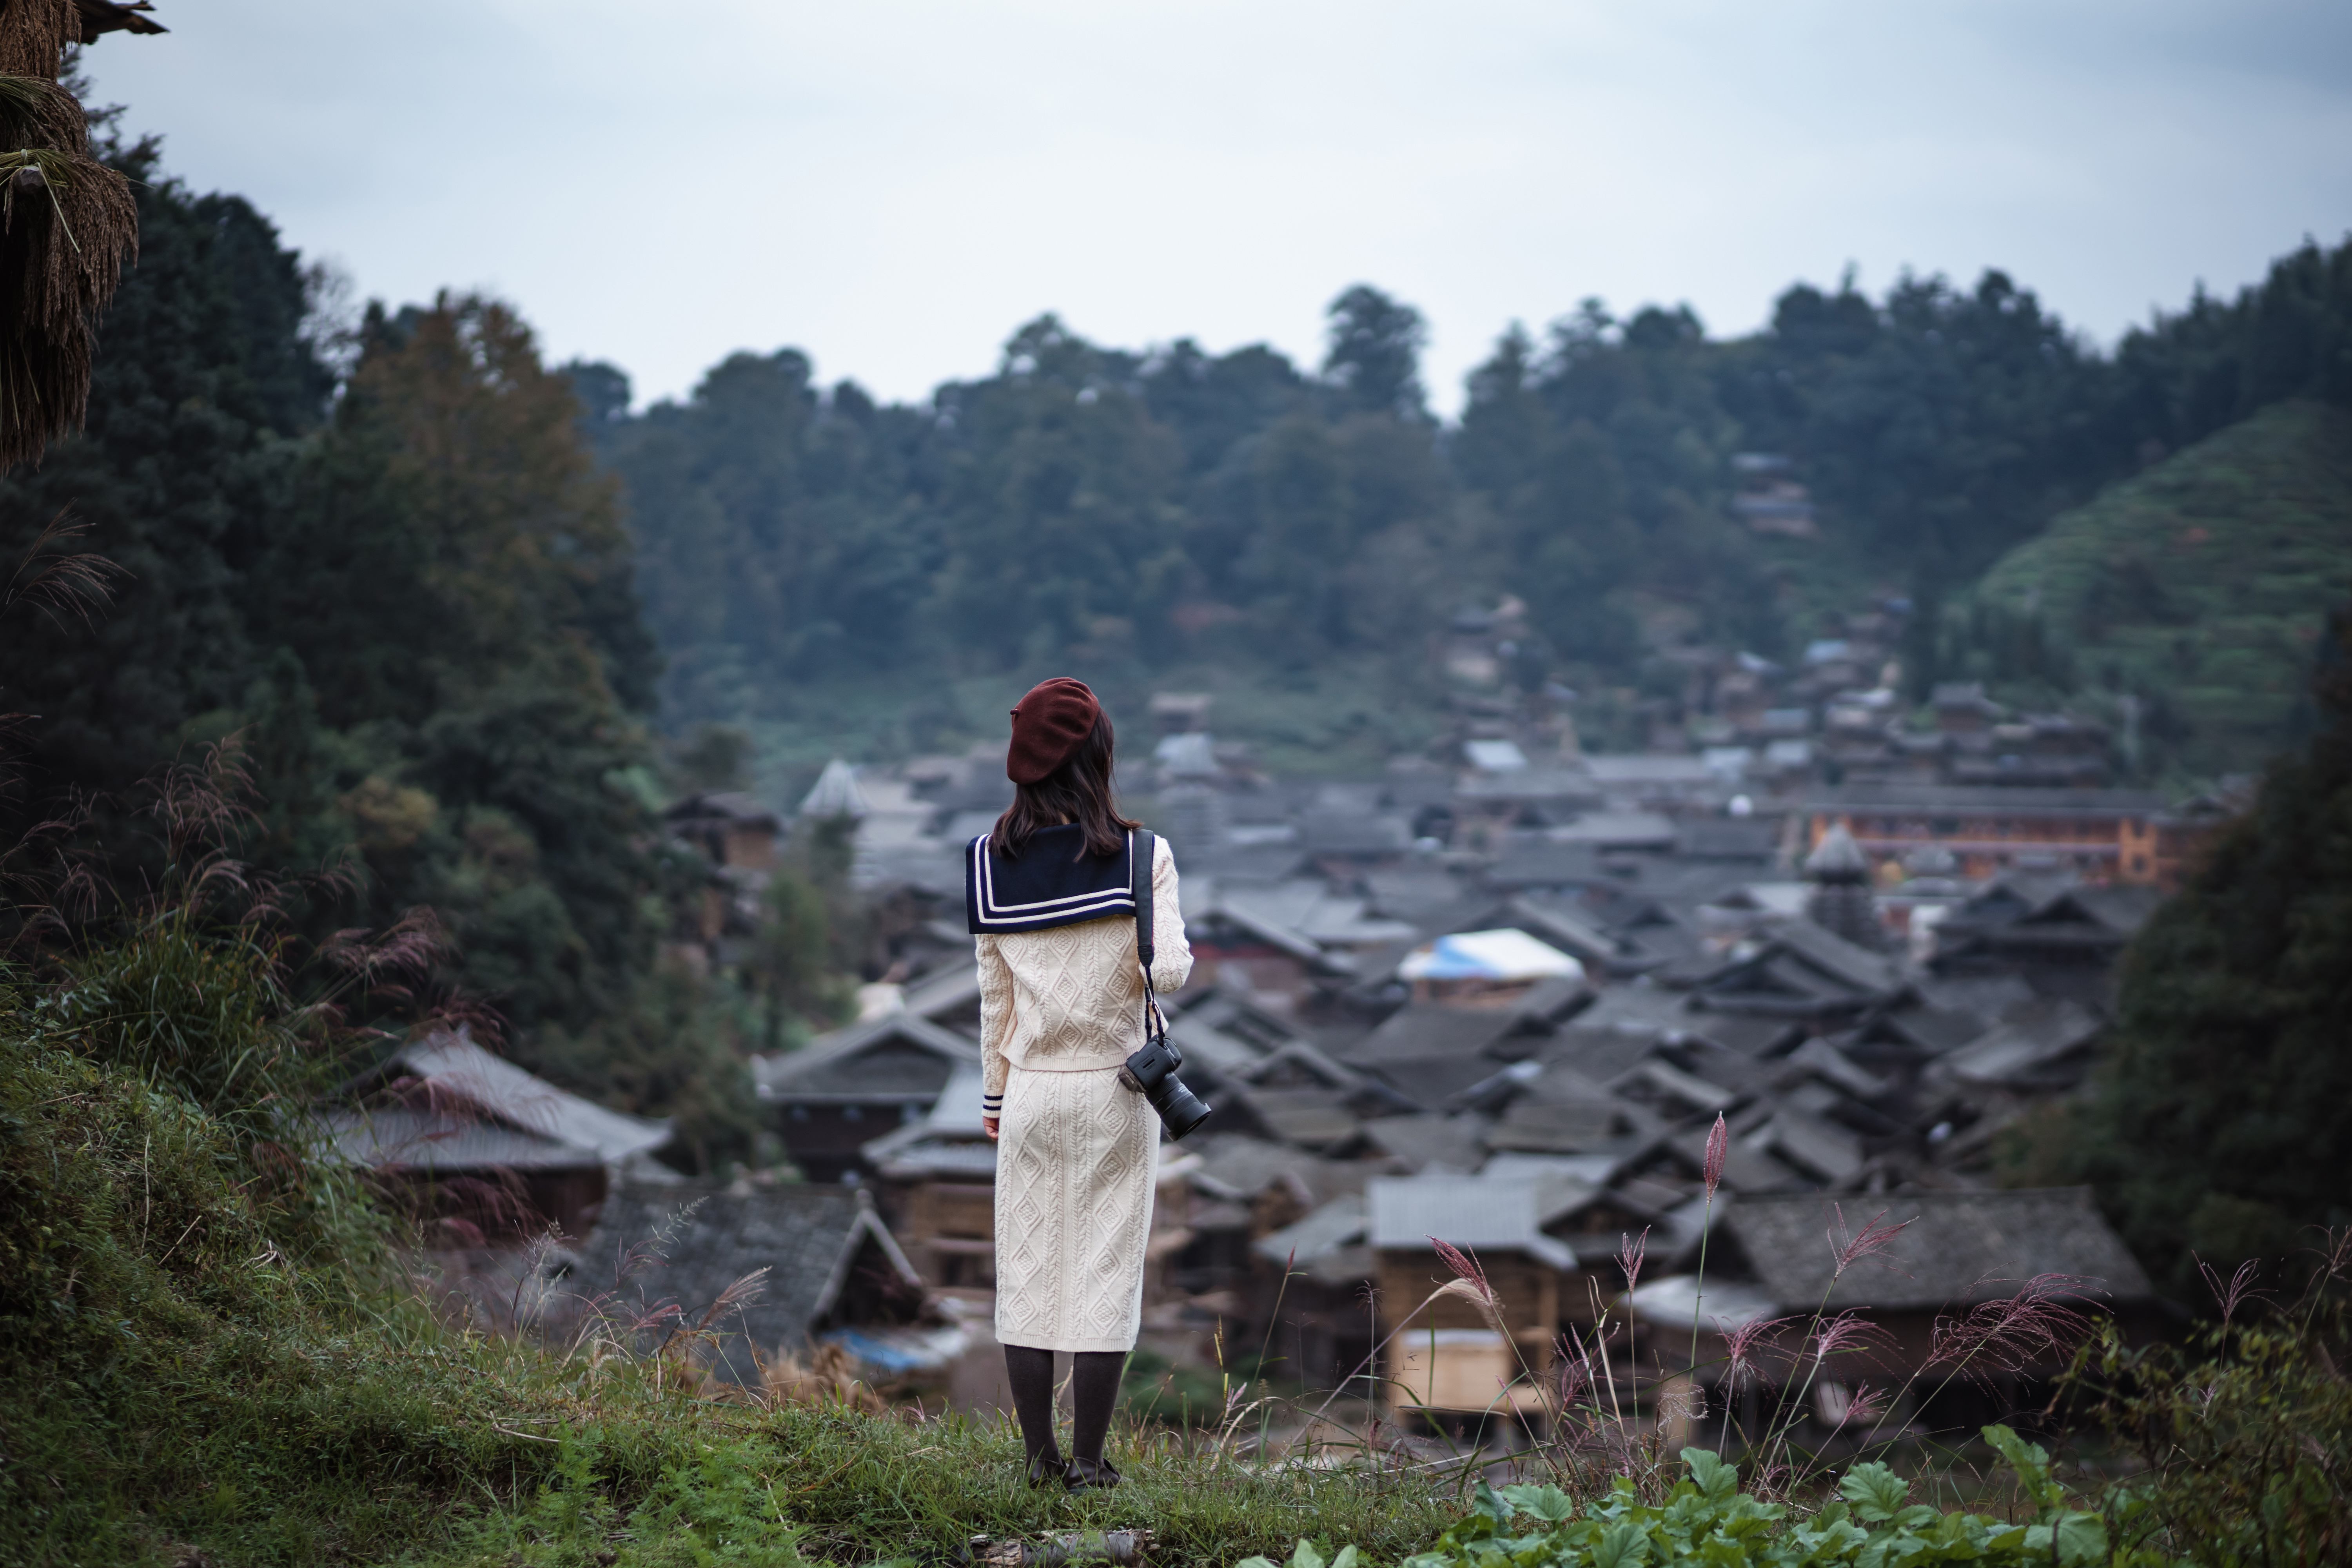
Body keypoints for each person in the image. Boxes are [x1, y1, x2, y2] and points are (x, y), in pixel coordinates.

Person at [965, 677, 1191, 1491]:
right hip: (1115, 1090)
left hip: (1030, 1090)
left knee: (1026, 1267)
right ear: (1096, 755)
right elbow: (1167, 967)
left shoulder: (990, 862)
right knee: (1104, 1269)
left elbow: (997, 1001)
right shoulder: (1140, 854)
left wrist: (994, 1098)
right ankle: (1090, 1463)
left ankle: (1036, 1459)